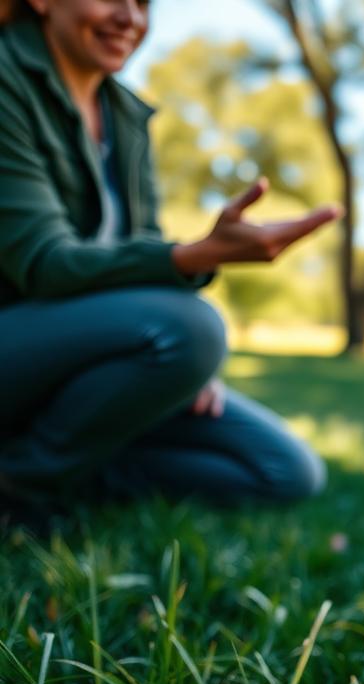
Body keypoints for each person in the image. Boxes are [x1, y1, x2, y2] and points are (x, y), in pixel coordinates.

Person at [0, 0, 342, 518]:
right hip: (18, 348)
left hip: (90, 366)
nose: (130, 18)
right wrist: (194, 259)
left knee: (286, 471)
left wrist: (184, 369)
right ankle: (18, 487)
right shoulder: (7, 80)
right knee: (195, 328)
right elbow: (45, 263)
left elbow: (145, 272)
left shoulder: (126, 117)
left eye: (142, 3)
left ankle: (76, 471)